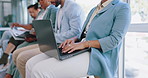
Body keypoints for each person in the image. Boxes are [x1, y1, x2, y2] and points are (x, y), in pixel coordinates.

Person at [26, 0, 131, 78]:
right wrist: (75, 39)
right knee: (30, 64)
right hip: (82, 48)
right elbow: (85, 34)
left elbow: (114, 40)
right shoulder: (94, 9)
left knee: (39, 71)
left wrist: (84, 44)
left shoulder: (122, 8)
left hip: (97, 54)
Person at [12, 0, 84, 78]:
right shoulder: (60, 9)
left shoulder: (73, 7)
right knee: (16, 53)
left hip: (62, 44)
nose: (49, 1)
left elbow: (76, 32)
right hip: (53, 42)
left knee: (22, 59)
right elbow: (57, 30)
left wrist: (52, 37)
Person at [3, 3, 41, 78]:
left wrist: (34, 37)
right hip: (32, 37)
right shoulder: (36, 19)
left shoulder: (44, 15)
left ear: (38, 10)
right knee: (7, 38)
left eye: (32, 12)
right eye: (29, 12)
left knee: (18, 48)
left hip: (36, 40)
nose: (31, 14)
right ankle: (7, 65)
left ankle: (5, 59)